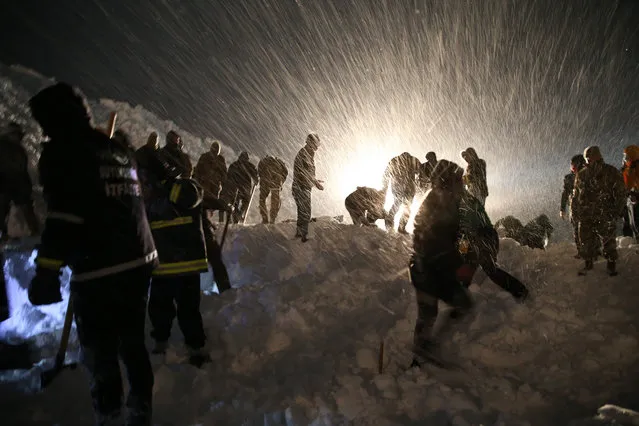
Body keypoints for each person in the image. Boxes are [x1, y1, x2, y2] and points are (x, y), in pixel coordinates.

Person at [27, 83, 158, 425]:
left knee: (100, 349)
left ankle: (109, 413)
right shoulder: (116, 149)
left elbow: (63, 217)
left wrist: (46, 272)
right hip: (139, 257)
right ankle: (140, 407)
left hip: (100, 265)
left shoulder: (63, 153)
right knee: (131, 340)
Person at [145, 176, 227, 364]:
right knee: (168, 308)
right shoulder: (154, 200)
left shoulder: (179, 191)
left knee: (183, 309)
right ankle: (178, 345)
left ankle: (192, 346)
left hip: (177, 265)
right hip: (170, 266)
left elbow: (193, 194)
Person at [408, 160, 473, 368]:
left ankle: (424, 350)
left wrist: (462, 255)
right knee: (429, 313)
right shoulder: (438, 201)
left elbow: (457, 237)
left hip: (435, 268)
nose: (461, 183)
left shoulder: (450, 201)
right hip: (427, 269)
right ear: (447, 180)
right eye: (458, 179)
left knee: (455, 306)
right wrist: (454, 261)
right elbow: (429, 238)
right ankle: (419, 356)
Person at [457, 190, 528, 302]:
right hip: (484, 237)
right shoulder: (464, 200)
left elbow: (465, 229)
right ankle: (461, 301)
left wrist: (462, 250)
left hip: (483, 237)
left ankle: (521, 291)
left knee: (488, 268)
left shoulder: (462, 203)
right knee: (468, 267)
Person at [573, 146, 626, 276]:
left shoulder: (611, 172)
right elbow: (576, 195)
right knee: (585, 239)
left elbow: (620, 193)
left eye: (590, 157)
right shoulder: (582, 174)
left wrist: (617, 210)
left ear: (597, 156)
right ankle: (588, 263)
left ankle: (611, 264)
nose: (588, 160)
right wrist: (575, 212)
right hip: (586, 214)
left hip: (605, 213)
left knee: (608, 240)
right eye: (587, 157)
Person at [0, 122, 41, 242]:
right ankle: (4, 236)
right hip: (4, 185)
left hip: (17, 186)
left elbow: (22, 171)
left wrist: (27, 187)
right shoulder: (3, 148)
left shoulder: (19, 151)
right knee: (2, 209)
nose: (19, 138)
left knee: (26, 209)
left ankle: (35, 234)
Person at [292, 133, 324, 241]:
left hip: (303, 187)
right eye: (316, 145)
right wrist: (315, 182)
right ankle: (301, 237)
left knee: (304, 211)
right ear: (311, 143)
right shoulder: (304, 154)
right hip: (300, 187)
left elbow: (307, 173)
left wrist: (314, 181)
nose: (317, 148)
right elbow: (302, 173)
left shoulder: (308, 155)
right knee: (304, 211)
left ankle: (301, 235)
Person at [382, 152, 421, 234]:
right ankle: (400, 227)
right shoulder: (413, 160)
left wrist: (385, 186)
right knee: (405, 207)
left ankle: (391, 224)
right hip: (407, 187)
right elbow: (420, 172)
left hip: (399, 186)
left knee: (397, 204)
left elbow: (387, 173)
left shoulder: (395, 160)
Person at [220, 152, 258, 224]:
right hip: (238, 189)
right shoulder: (239, 165)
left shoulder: (242, 166)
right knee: (238, 204)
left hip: (241, 189)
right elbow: (228, 176)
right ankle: (237, 217)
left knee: (240, 204)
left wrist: (256, 179)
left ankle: (238, 216)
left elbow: (255, 174)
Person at [560, 154, 587, 257]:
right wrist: (562, 209)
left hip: (588, 207)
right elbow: (565, 193)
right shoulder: (569, 178)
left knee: (589, 229)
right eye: (571, 165)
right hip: (575, 208)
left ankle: (593, 250)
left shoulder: (588, 174)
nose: (572, 167)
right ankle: (581, 251)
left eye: (573, 165)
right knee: (577, 230)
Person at [257, 155, 288, 224]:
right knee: (275, 200)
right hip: (276, 181)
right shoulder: (280, 162)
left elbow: (259, 172)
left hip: (265, 180)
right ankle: (272, 218)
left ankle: (265, 218)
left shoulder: (263, 161)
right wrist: (281, 181)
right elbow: (285, 172)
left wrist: (262, 178)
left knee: (262, 199)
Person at [622, 145, 639, 240]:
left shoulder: (632, 168)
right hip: (631, 197)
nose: (625, 159)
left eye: (626, 157)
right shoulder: (628, 168)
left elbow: (629, 184)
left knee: (635, 223)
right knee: (632, 223)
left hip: (634, 197)